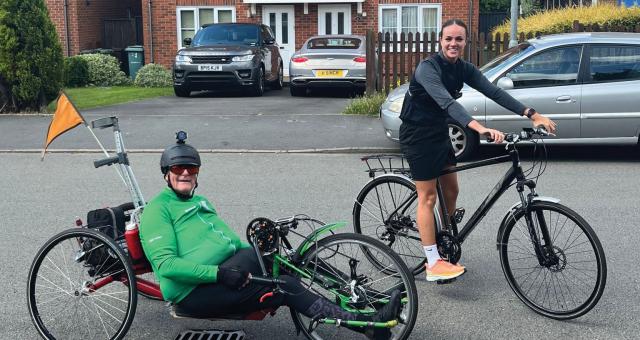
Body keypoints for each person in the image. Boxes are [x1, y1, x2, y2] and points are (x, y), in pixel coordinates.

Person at [139, 133, 402, 339]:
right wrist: (219, 274)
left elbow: (229, 241)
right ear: (166, 174)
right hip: (194, 291)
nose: (185, 173)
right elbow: (167, 266)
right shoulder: (157, 210)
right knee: (284, 287)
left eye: (191, 169)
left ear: (197, 174)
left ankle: (373, 299)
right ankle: (370, 326)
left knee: (293, 261)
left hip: (228, 266)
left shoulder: (200, 201)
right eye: (178, 168)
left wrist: (261, 254)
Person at [399, 19, 557, 282]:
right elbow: (447, 102)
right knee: (427, 197)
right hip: (417, 134)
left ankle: (445, 240)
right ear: (440, 41)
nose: (453, 43)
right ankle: (432, 262)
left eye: (458, 39)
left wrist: (531, 114)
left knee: (451, 190)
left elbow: (494, 92)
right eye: (448, 38)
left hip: (439, 132)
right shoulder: (427, 69)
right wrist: (479, 128)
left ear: (465, 42)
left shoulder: (464, 69)